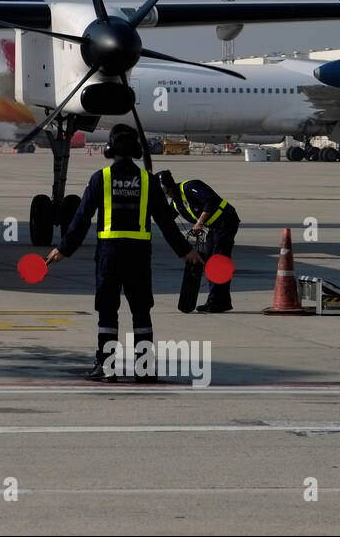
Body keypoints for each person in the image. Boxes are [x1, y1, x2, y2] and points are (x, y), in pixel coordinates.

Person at [45, 124, 203, 382]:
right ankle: (144, 368)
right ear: (136, 150)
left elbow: (82, 218)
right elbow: (165, 221)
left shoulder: (100, 178)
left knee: (107, 310)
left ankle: (107, 367)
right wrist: (186, 252)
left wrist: (64, 249)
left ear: (110, 149)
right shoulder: (148, 181)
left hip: (110, 255)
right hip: (139, 255)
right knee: (141, 311)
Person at [155, 169, 240, 313]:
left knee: (217, 261)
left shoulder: (190, 186)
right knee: (208, 261)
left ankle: (219, 302)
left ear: (164, 187)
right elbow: (166, 219)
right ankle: (217, 300)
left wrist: (199, 223)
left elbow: (211, 200)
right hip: (215, 228)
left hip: (226, 222)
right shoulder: (176, 203)